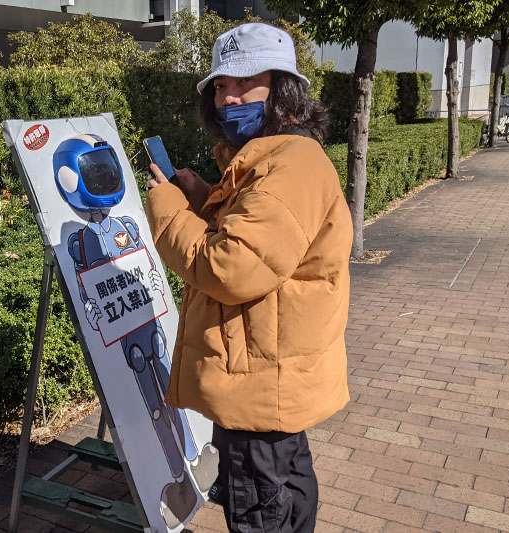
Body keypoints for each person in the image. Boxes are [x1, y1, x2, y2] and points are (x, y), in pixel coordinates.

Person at [145, 22, 352, 532]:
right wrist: (201, 198)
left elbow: (230, 268)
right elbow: (257, 239)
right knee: (286, 488)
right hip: (266, 375)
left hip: (258, 380)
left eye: (246, 82)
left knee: (261, 507)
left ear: (283, 90)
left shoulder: (290, 166)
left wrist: (168, 210)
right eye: (220, 85)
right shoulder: (276, 157)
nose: (229, 97)